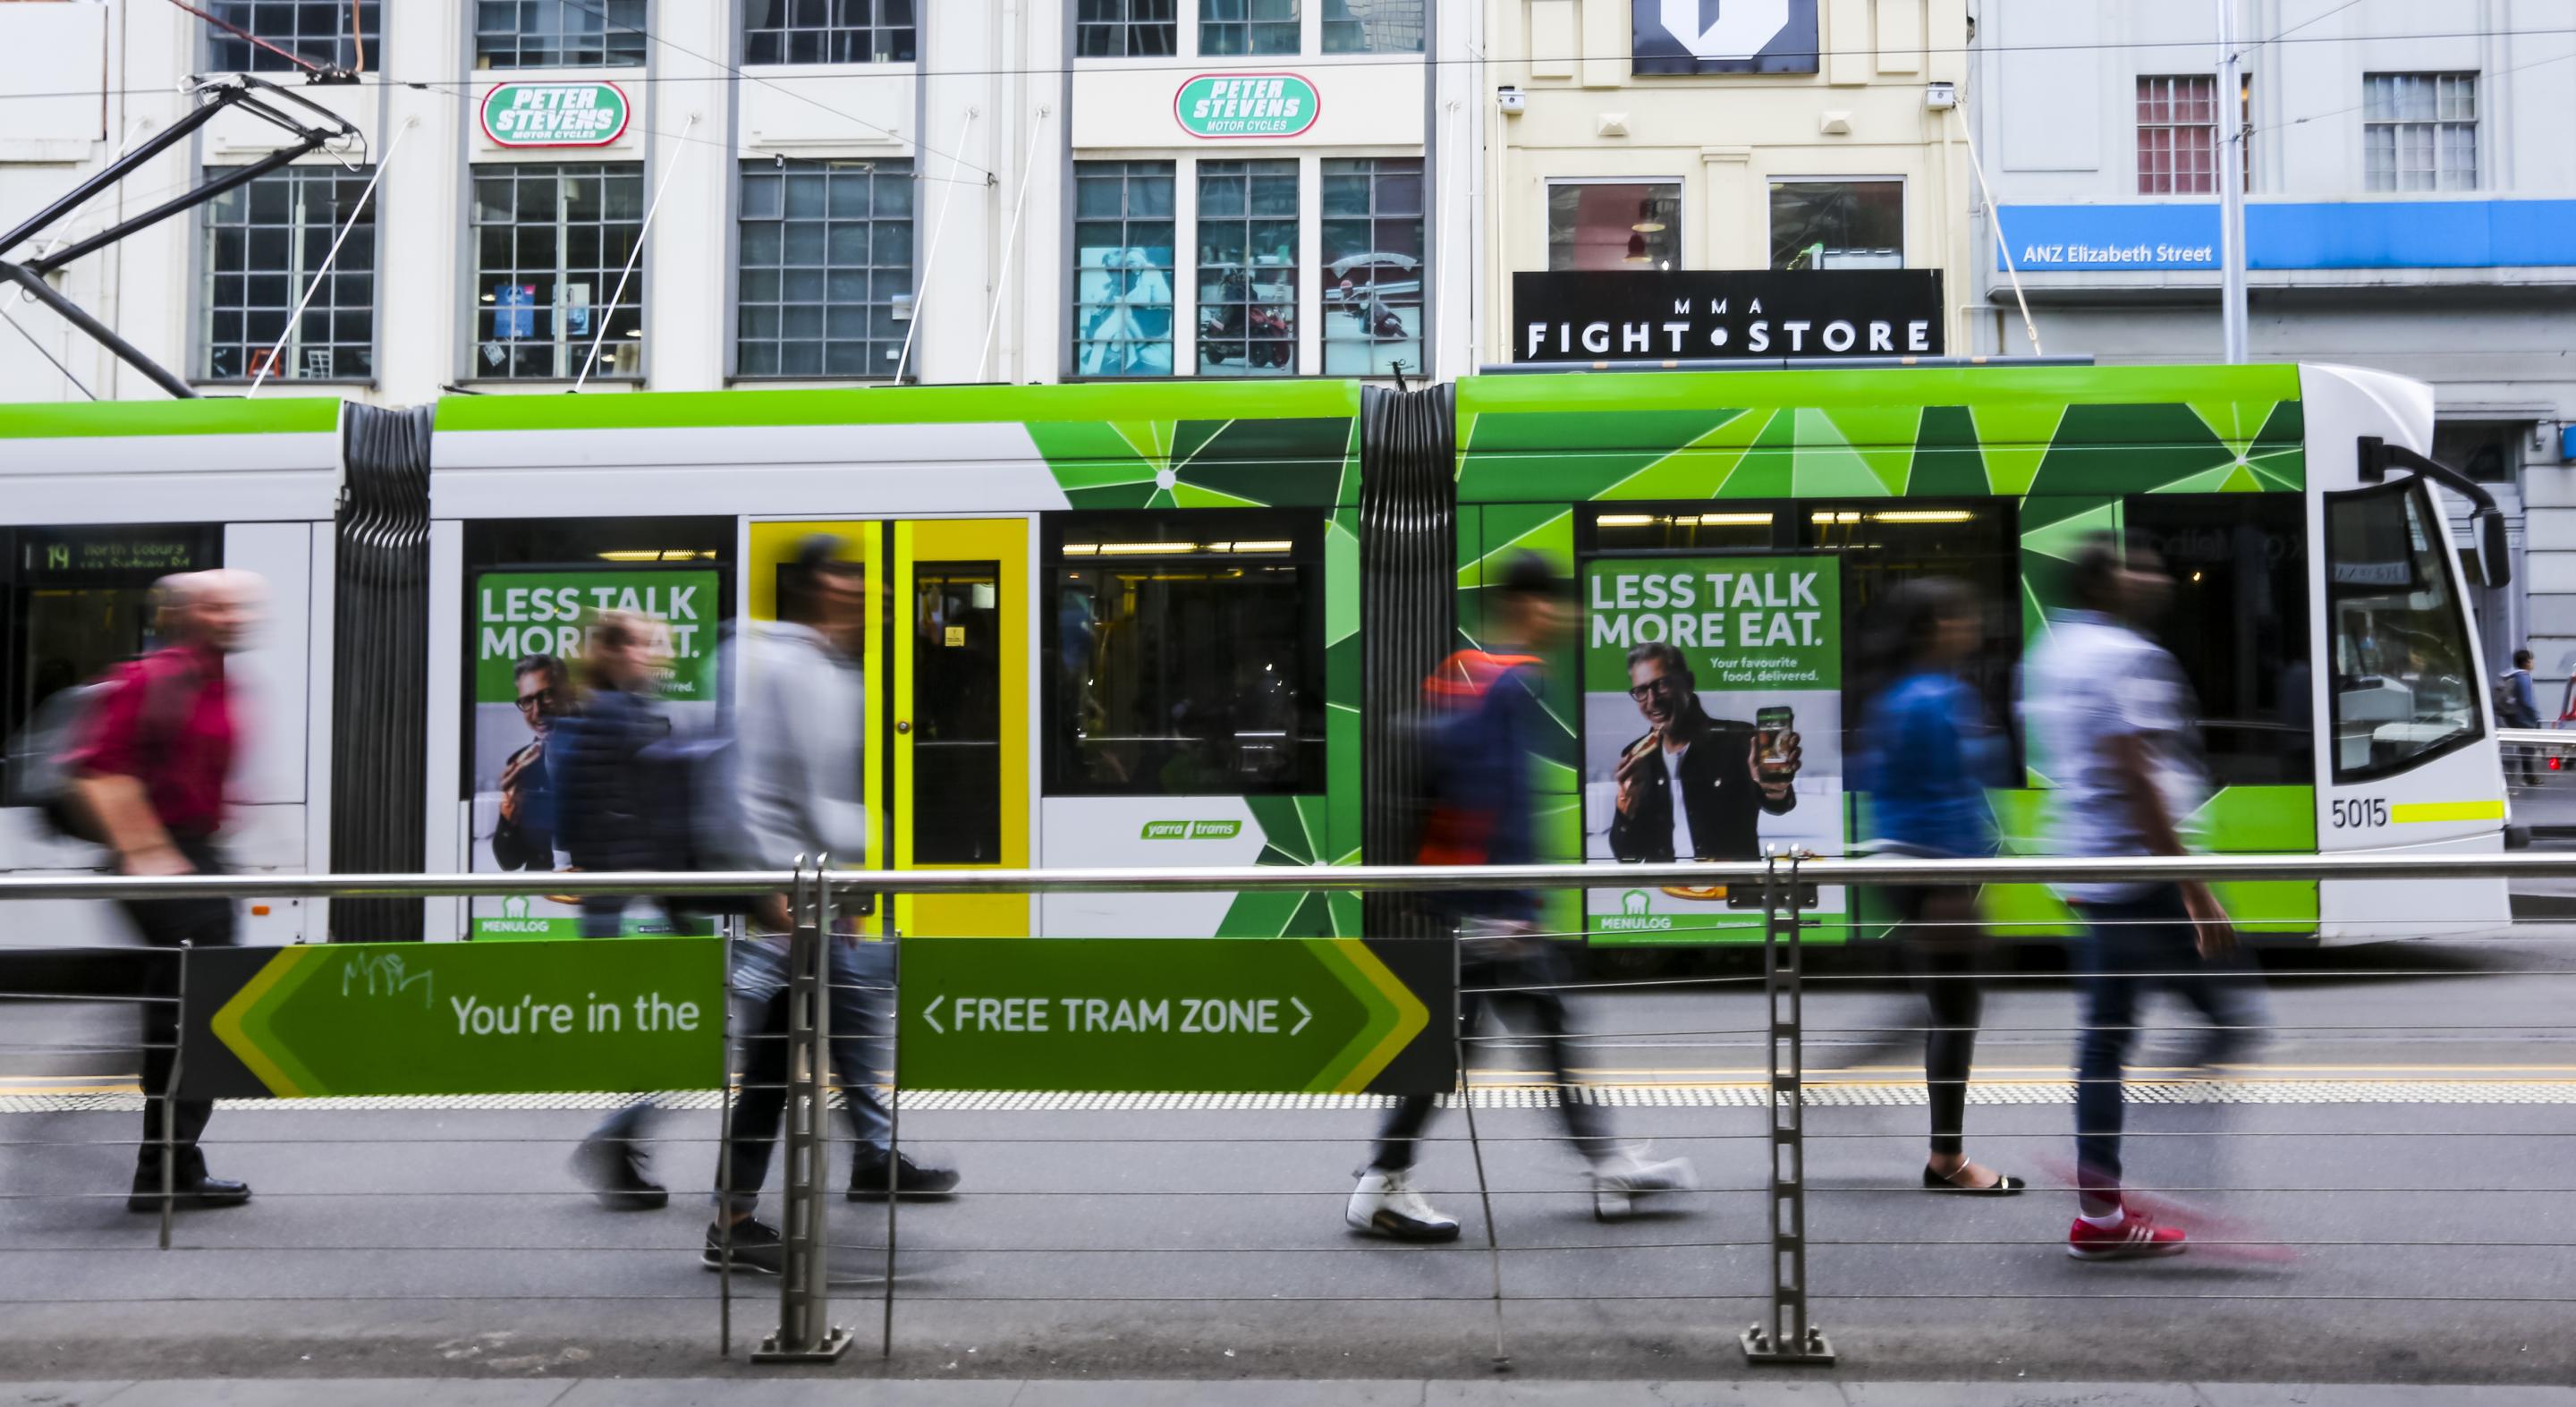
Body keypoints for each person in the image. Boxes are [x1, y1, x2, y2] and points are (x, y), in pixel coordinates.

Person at [1347, 555, 1694, 1242]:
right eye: (1559, 602)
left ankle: (1603, 1162)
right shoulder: (1506, 686)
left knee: (1529, 1031)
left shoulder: (1473, 677)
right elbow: (1491, 799)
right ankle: (1382, 1182)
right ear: (1530, 607)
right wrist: (1502, 905)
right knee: (1466, 1045)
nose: (1571, 617)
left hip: (1482, 906)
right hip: (1491, 912)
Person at [706, 537, 958, 1276]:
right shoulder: (789, 669)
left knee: (806, 1049)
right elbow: (757, 787)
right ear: (815, 589)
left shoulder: (833, 668)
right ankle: (738, 1216)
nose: (858, 588)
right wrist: (775, 891)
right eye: (843, 576)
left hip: (821, 893)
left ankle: (861, 1163)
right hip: (795, 898)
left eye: (858, 577)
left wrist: (843, 891)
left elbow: (822, 793)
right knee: (777, 1062)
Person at [2025, 534, 2266, 1261]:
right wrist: (2196, 889)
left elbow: (2077, 771)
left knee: (2104, 1044)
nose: (2155, 578)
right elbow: (2135, 774)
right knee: (2232, 1019)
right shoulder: (2125, 656)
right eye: (2140, 567)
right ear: (2106, 581)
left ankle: (2101, 1211)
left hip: (2097, 876)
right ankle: (2167, 1176)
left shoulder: (2051, 651)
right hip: (2143, 878)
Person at [69, 570, 263, 1213]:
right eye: (219, 604)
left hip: (196, 855)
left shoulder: (214, 678)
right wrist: (148, 851)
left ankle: (170, 1166)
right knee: (189, 1015)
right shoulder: (154, 676)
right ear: (184, 612)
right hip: (165, 859)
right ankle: (164, 1171)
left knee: (184, 1015)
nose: (235, 613)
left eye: (239, 604)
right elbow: (99, 766)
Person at [1852, 579, 2021, 1196]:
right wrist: (1955, 884)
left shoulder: (1901, 695)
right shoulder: (1933, 698)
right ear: (1932, 628)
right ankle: (1946, 1158)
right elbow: (1943, 797)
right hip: (1935, 868)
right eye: (1959, 616)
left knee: (1948, 1003)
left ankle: (1941, 1151)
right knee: (1956, 1007)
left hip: (1918, 866)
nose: (1970, 625)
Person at [557, 610, 684, 1210]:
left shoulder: (600, 712)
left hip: (621, 897)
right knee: (666, 1033)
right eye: (639, 643)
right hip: (630, 901)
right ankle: (614, 1141)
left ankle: (620, 1142)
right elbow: (638, 810)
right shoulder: (615, 715)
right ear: (610, 651)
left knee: (656, 1035)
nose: (651, 654)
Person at [1606, 641, 1800, 863]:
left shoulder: (1739, 739)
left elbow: (1778, 805)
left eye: (1662, 685)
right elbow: (1626, 855)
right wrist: (1625, 811)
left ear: (1688, 684)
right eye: (1641, 690)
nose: (1652, 701)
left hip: (1729, 891)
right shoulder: (1636, 756)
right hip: (1664, 894)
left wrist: (1775, 788)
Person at [491, 654, 566, 871]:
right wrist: (508, 818)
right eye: (527, 700)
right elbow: (509, 862)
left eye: (547, 695)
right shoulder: (519, 763)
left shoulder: (599, 748)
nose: (537, 711)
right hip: (540, 894)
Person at [2499, 648, 2543, 785]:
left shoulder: (2512, 675)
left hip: (2515, 717)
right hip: (2525, 719)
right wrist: (2535, 716)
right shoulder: (2523, 677)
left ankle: (2528, 776)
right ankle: (2529, 777)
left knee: (2525, 747)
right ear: (2526, 662)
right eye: (2531, 659)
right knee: (2528, 748)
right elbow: (2526, 701)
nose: (2533, 662)